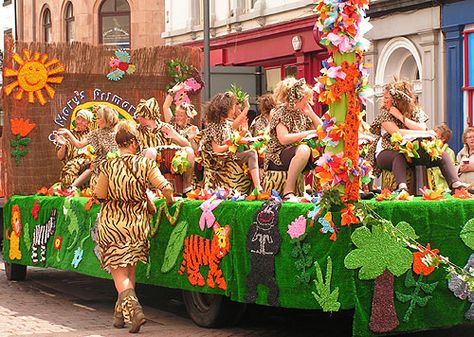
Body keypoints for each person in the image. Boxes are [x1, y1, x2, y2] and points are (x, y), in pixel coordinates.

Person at [94, 120, 174, 333]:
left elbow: (100, 195)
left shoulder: (108, 166)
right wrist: (170, 202)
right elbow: (165, 187)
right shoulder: (145, 164)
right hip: (137, 224)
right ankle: (120, 315)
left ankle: (136, 311)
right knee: (129, 270)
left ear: (118, 143)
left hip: (113, 224)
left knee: (119, 273)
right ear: (133, 143)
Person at [367, 79, 467, 193]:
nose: (384, 101)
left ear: (397, 101)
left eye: (386, 98)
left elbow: (422, 127)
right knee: (399, 157)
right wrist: (425, 133)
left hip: (414, 151)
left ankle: (455, 184)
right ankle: (402, 188)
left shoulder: (415, 111)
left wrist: (401, 117)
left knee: (442, 155)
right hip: (388, 150)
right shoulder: (385, 113)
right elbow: (396, 133)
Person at [264, 77, 322, 200]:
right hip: (278, 155)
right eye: (306, 100)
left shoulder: (302, 113)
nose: (309, 102)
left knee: (322, 150)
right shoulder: (280, 112)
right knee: (304, 150)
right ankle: (288, 190)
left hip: (294, 151)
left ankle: (321, 190)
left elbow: (322, 131)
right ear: (295, 99)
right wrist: (308, 133)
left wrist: (311, 113)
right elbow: (283, 139)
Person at [202, 92, 262, 191]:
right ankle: (257, 187)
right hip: (220, 160)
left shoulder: (225, 123)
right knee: (251, 154)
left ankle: (257, 186)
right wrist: (236, 140)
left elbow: (233, 134)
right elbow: (217, 149)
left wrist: (250, 141)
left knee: (252, 152)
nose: (234, 110)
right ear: (226, 109)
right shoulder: (214, 126)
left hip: (229, 156)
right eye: (233, 107)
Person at [135, 97, 195, 194]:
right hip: (144, 164)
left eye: (140, 116)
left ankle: (186, 187)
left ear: (148, 116)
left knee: (189, 151)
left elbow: (187, 145)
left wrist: (173, 135)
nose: (138, 118)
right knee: (151, 151)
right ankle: (148, 190)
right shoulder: (136, 130)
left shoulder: (165, 127)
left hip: (169, 163)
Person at [57, 105, 119, 189]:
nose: (96, 121)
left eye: (98, 118)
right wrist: (68, 134)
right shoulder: (95, 133)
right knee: (90, 169)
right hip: (99, 165)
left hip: (115, 163)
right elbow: (79, 145)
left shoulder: (118, 131)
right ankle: (72, 187)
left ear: (105, 119)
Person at [54, 109, 93, 189]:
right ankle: (71, 190)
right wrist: (63, 145)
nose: (79, 122)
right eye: (78, 119)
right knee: (69, 169)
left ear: (89, 124)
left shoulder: (92, 135)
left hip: (89, 165)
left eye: (83, 120)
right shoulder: (66, 135)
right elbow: (60, 157)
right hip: (71, 167)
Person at [428, 124, 456, 191]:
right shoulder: (429, 150)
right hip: (430, 187)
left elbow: (448, 172)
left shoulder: (449, 152)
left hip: (443, 189)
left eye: (435, 134)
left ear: (443, 139)